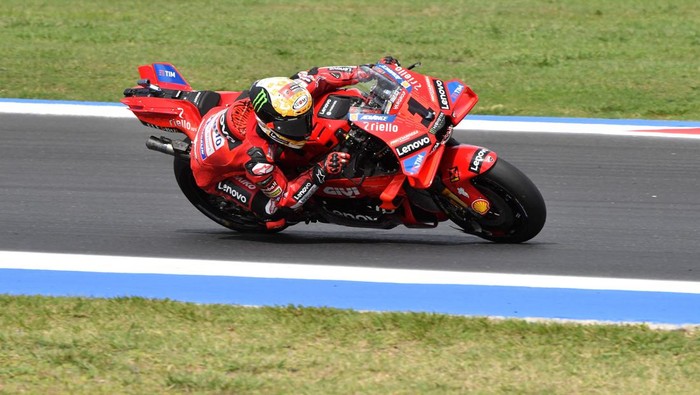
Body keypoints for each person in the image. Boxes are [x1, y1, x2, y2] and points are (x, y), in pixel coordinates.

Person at [190, 57, 400, 229]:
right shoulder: (258, 160)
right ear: (270, 126)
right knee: (276, 215)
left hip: (229, 118)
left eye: (305, 118)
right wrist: (322, 169)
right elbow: (285, 199)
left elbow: (320, 76)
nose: (305, 127)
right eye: (295, 125)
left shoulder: (289, 98)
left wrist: (367, 72)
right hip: (215, 173)